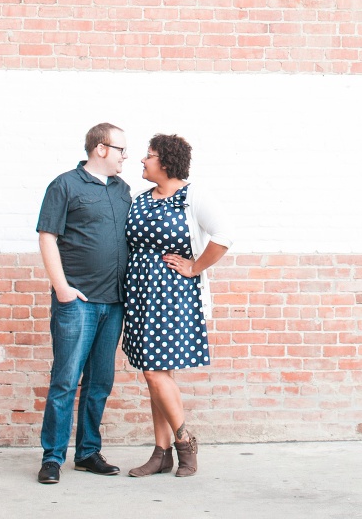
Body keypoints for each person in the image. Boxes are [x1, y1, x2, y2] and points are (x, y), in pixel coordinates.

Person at [123, 133, 232, 479]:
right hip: (140, 296)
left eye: (149, 156)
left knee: (156, 372)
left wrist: (194, 266)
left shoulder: (193, 196)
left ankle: (185, 442)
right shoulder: (140, 199)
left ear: (167, 162)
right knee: (155, 374)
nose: (143, 160)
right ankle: (161, 453)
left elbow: (224, 235)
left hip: (173, 296)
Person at [35, 122, 131, 485]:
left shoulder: (123, 190)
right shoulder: (65, 185)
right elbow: (47, 237)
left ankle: (88, 453)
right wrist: (62, 288)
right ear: (101, 149)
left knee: (100, 382)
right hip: (77, 301)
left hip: (115, 302)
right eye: (121, 149)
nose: (126, 156)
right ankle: (53, 458)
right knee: (65, 381)